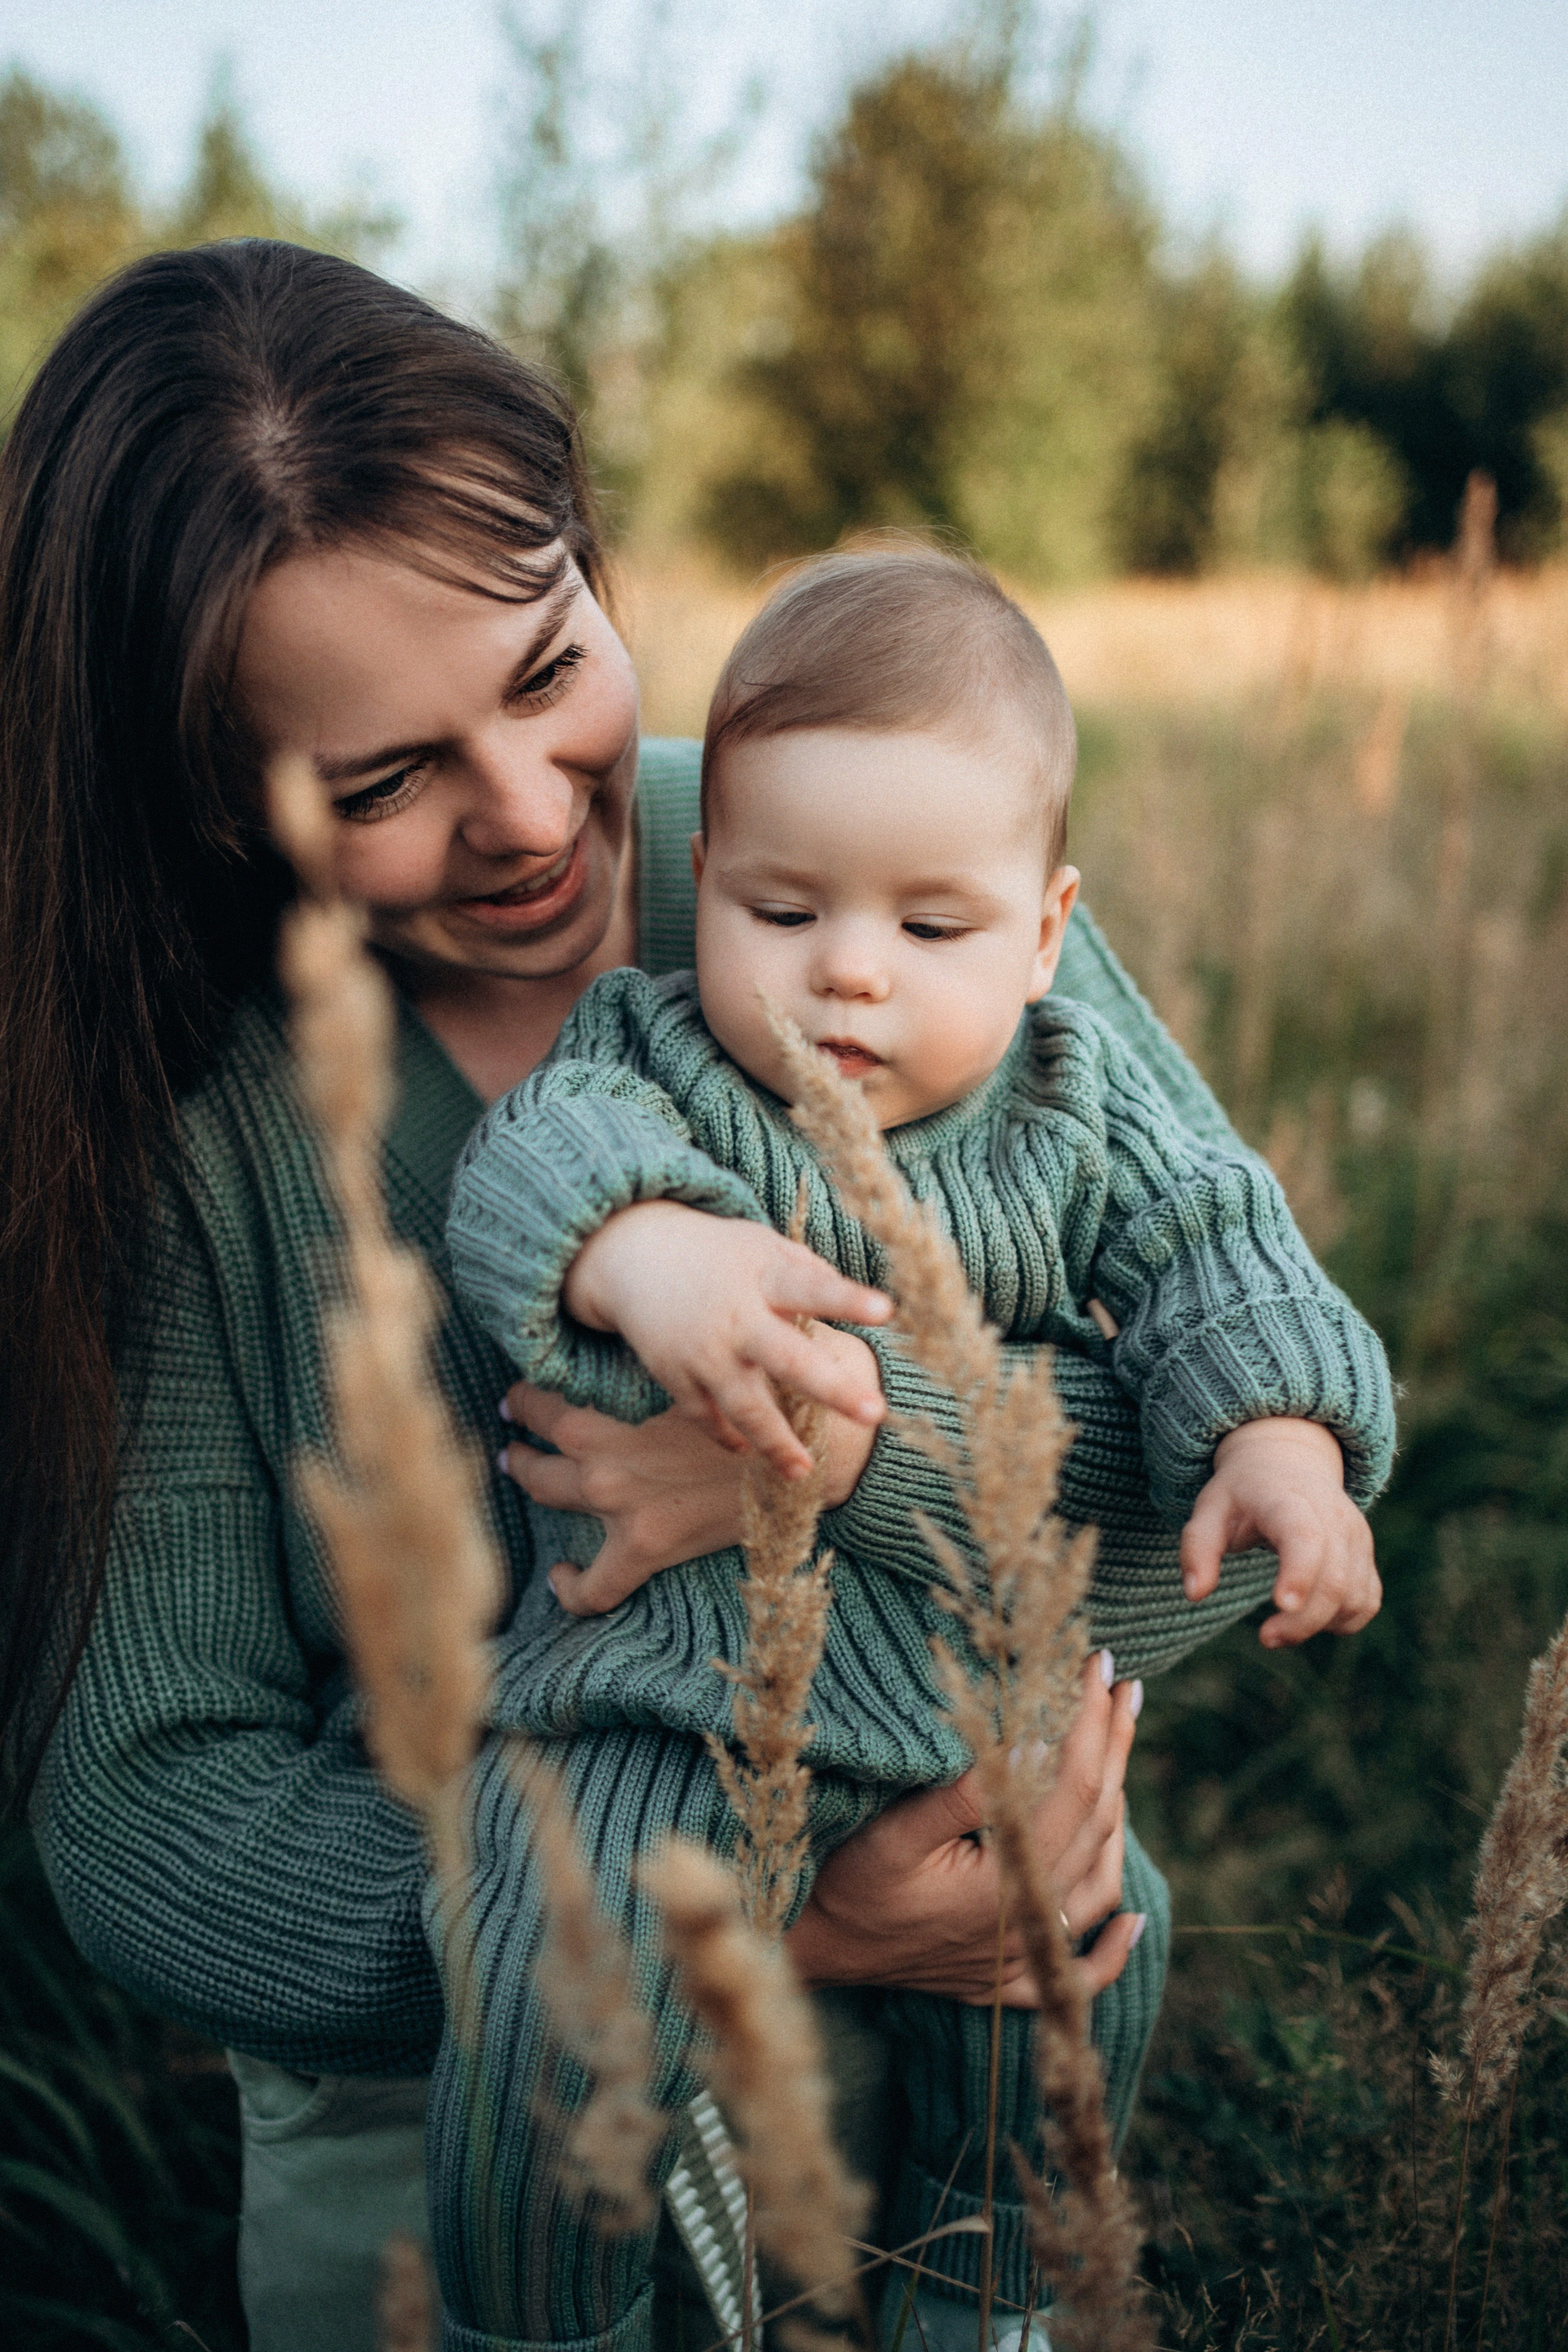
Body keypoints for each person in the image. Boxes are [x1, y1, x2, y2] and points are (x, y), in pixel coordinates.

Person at [0, 241, 1226, 2352]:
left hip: (942, 2060)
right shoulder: (181, 1129)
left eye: (553, 660)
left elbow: (1201, 1489)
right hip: (439, 2131)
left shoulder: (867, 855)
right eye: (380, 784)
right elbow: (149, 1821)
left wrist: (834, 1459)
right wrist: (766, 1912)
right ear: (206, 791)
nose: (533, 814)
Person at [439, 548, 1392, 2352]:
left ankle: (988, 2305)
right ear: (698, 882)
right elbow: (530, 1168)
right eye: (784, 911)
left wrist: (1281, 1438)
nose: (848, 978)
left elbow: (1220, 1252)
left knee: (1093, 1965)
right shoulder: (652, 1061)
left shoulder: (1072, 1101)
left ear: (1045, 933)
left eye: (929, 929)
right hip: (673, 1708)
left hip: (977, 1710)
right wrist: (649, 1251)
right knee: (556, 1991)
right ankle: (541, 2320)